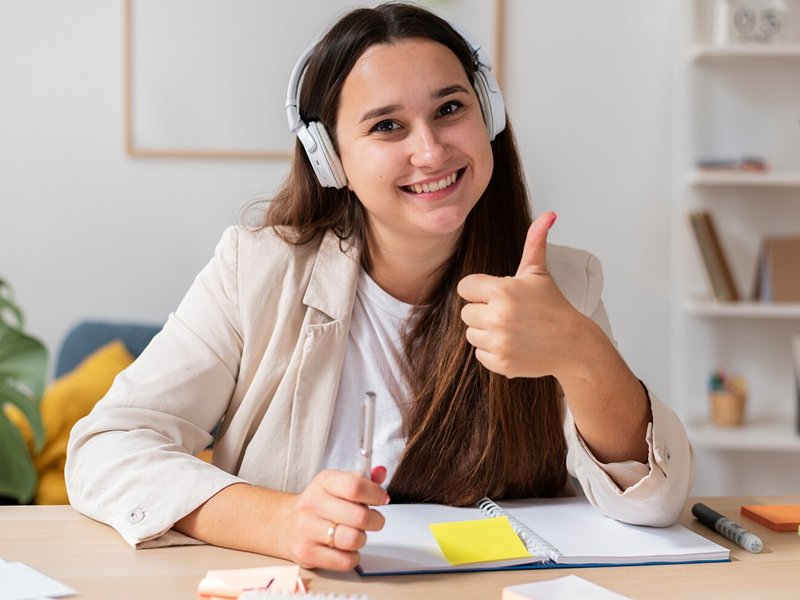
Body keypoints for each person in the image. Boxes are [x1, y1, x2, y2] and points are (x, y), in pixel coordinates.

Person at [66, 2, 695, 572]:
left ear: (490, 117)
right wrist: (277, 522)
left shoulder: (561, 283)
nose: (430, 150)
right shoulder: (255, 271)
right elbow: (107, 448)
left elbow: (655, 502)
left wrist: (584, 356)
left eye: (451, 109)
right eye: (387, 126)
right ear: (330, 158)